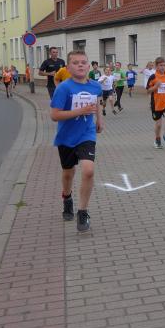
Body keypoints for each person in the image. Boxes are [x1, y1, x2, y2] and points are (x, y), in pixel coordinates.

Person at [49, 50, 103, 232]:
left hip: (86, 134)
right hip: (66, 137)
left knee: (88, 170)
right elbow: (54, 115)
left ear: (89, 66)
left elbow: (96, 102)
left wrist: (99, 120)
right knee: (68, 173)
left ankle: (82, 211)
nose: (80, 65)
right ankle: (67, 197)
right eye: (75, 62)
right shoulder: (63, 88)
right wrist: (80, 111)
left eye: (83, 62)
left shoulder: (95, 86)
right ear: (68, 67)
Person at [147, 57, 165, 148]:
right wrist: (155, 87)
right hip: (156, 104)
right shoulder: (153, 77)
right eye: (160, 65)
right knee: (158, 125)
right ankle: (157, 139)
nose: (162, 67)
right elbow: (148, 91)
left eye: (164, 65)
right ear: (156, 66)